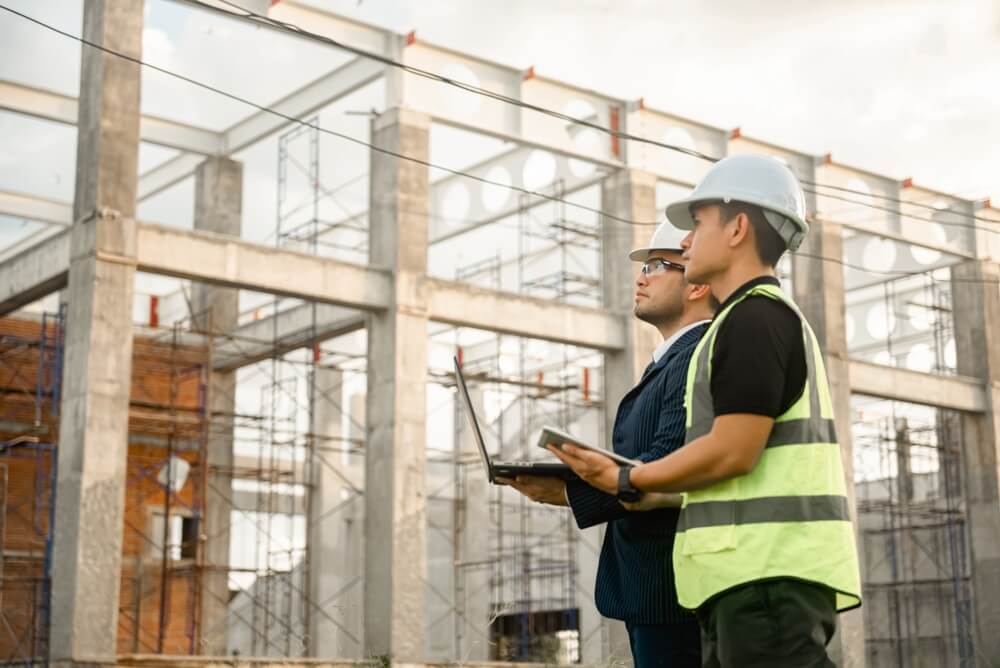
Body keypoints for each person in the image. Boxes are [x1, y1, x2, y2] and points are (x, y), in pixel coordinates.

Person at [549, 154, 863, 668]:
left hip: (767, 579)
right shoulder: (744, 321)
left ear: (738, 227)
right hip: (748, 581)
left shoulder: (755, 318)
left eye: (697, 224)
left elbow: (733, 451)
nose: (687, 240)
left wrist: (632, 479)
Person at [499, 221, 715, 668]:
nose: (641, 277)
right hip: (653, 588)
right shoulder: (670, 360)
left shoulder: (696, 355)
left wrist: (568, 490)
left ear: (698, 285)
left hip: (672, 593)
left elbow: (667, 465)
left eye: (658, 265)